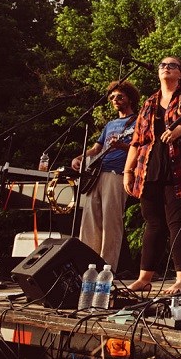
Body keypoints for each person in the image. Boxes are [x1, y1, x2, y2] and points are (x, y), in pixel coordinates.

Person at [123, 57, 181, 295]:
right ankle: (145, 278)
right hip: (149, 169)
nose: (165, 68)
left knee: (179, 224)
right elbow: (137, 141)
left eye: (172, 65)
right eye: (162, 65)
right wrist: (128, 172)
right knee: (153, 224)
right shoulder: (150, 102)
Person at [71, 81, 140, 271]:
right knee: (89, 222)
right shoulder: (110, 124)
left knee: (111, 222)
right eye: (112, 98)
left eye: (119, 96)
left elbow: (142, 149)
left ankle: (106, 269)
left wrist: (122, 146)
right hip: (96, 174)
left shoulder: (138, 121)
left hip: (117, 174)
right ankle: (86, 267)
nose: (115, 100)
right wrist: (79, 157)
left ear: (130, 98)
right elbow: (96, 148)